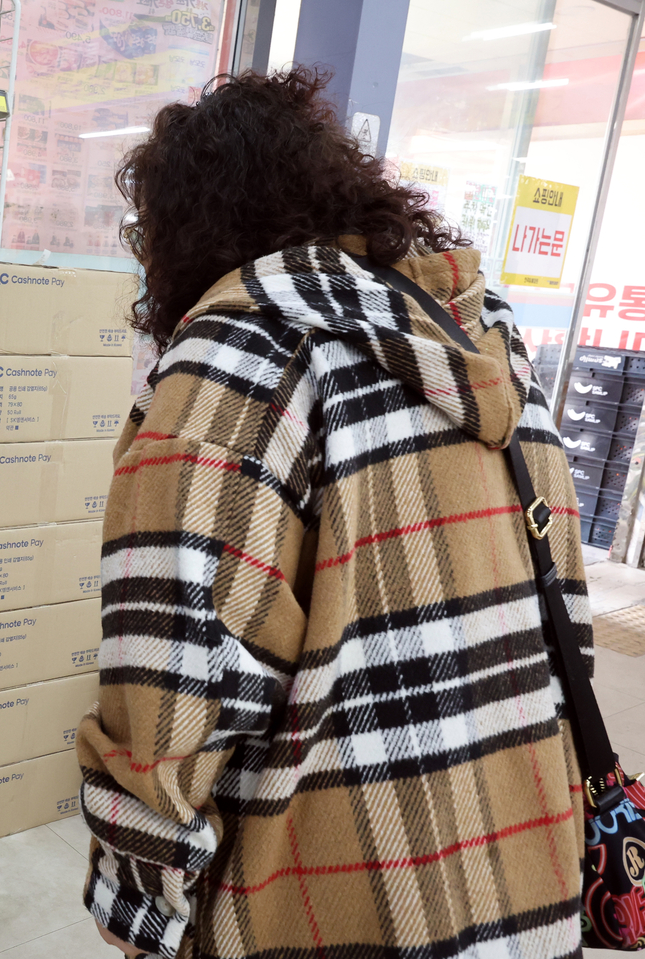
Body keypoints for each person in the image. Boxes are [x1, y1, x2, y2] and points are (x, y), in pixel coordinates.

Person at [80, 67, 591, 959]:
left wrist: (140, 913)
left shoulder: (236, 360)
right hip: (526, 884)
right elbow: (565, 611)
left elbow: (172, 696)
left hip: (331, 902)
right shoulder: (485, 335)